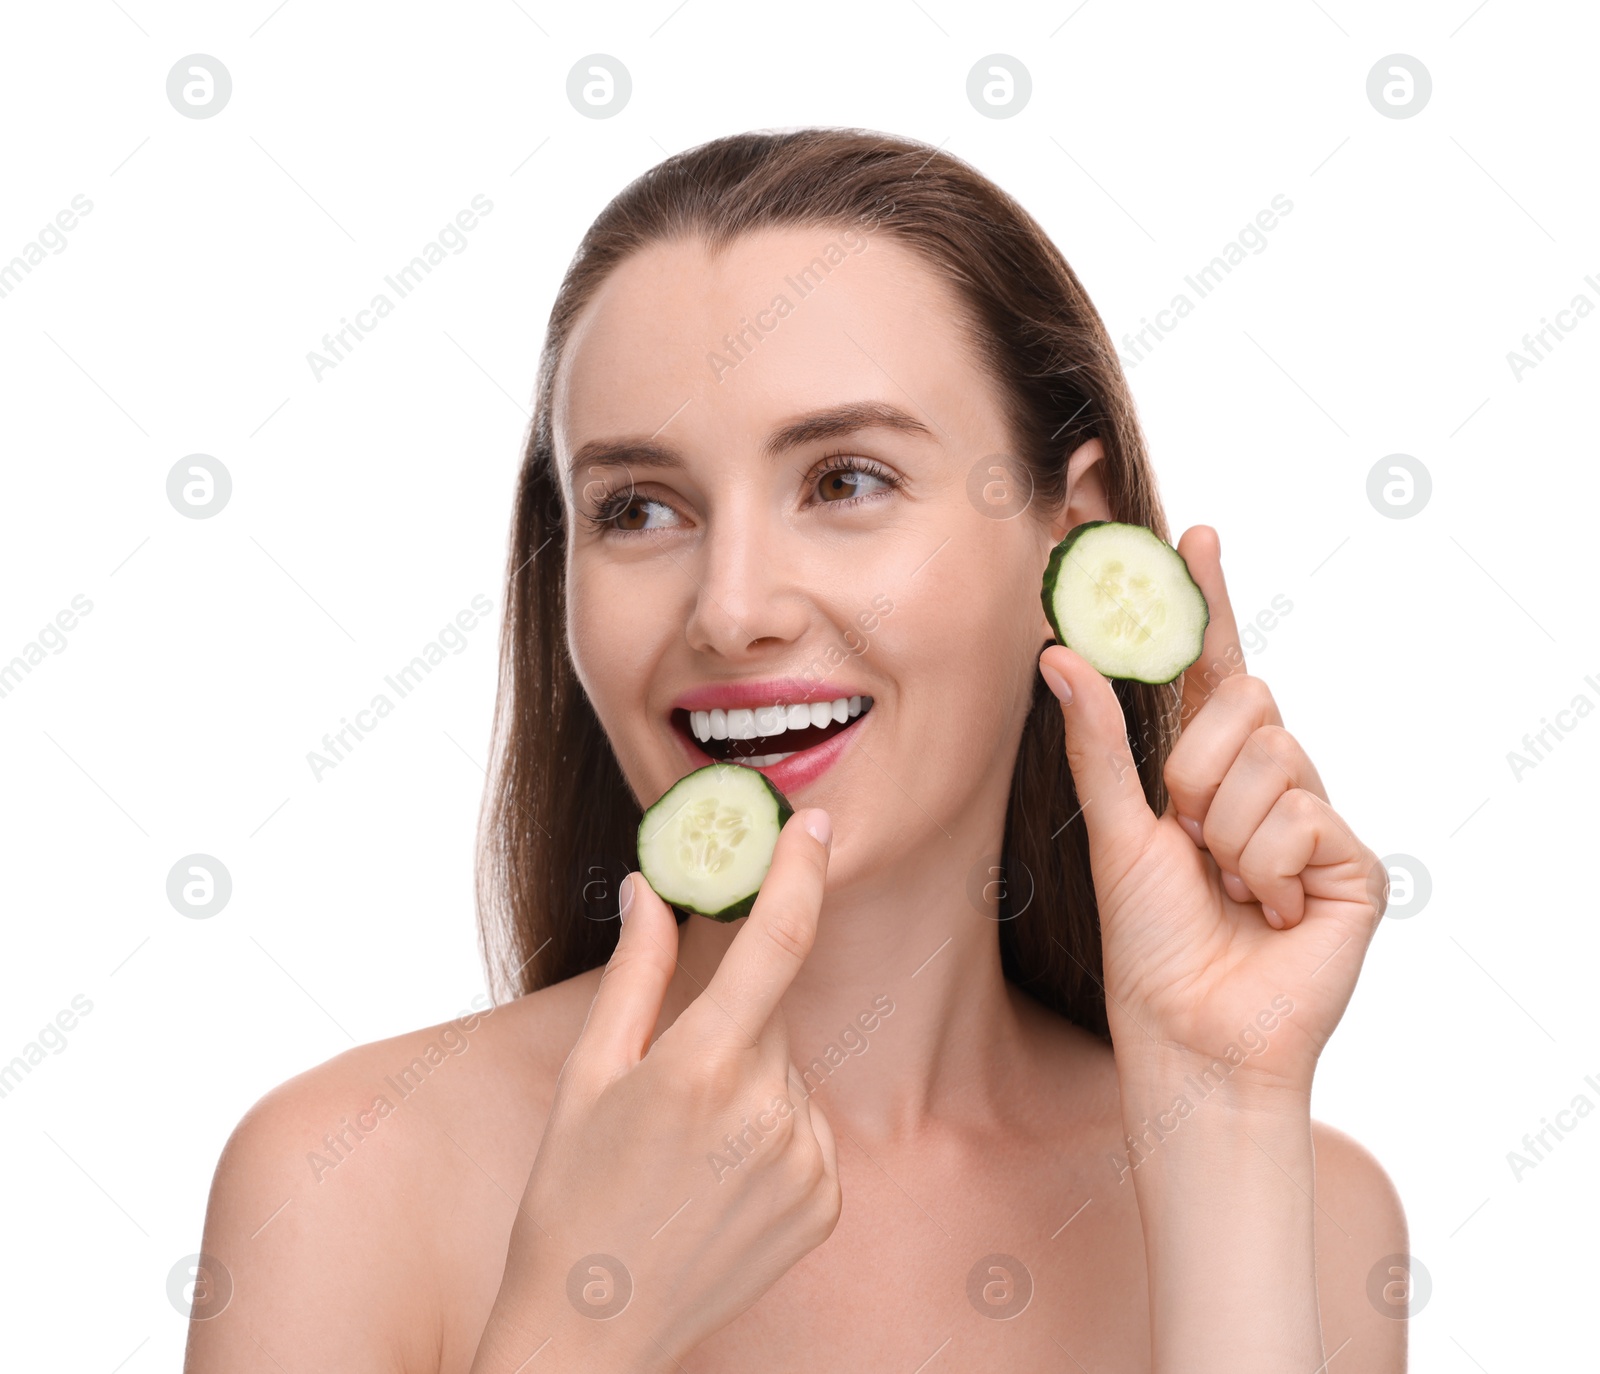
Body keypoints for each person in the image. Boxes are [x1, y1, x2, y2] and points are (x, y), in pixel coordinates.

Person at [187, 128, 1406, 1372]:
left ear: (1069, 542)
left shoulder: (1315, 1213)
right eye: (639, 509)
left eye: (846, 481)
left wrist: (1225, 1116)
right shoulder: (344, 1181)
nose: (730, 609)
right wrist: (582, 1321)